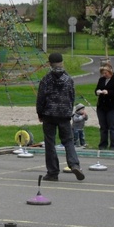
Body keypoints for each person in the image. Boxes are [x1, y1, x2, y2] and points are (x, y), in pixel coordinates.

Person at [36, 53, 85, 182]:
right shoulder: (68, 79)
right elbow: (71, 97)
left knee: (50, 143)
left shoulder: (46, 79)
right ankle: (74, 164)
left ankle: (53, 172)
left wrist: (40, 113)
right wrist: (69, 111)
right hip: (64, 114)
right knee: (68, 141)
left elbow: (41, 98)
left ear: (50, 64)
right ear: (62, 62)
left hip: (49, 114)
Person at [94, 62, 114, 150]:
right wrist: (97, 92)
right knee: (103, 127)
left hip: (113, 107)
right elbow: (97, 89)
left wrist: (108, 92)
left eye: (105, 73)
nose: (104, 75)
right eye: (103, 73)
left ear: (110, 71)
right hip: (102, 107)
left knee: (113, 127)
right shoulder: (101, 80)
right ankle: (103, 145)